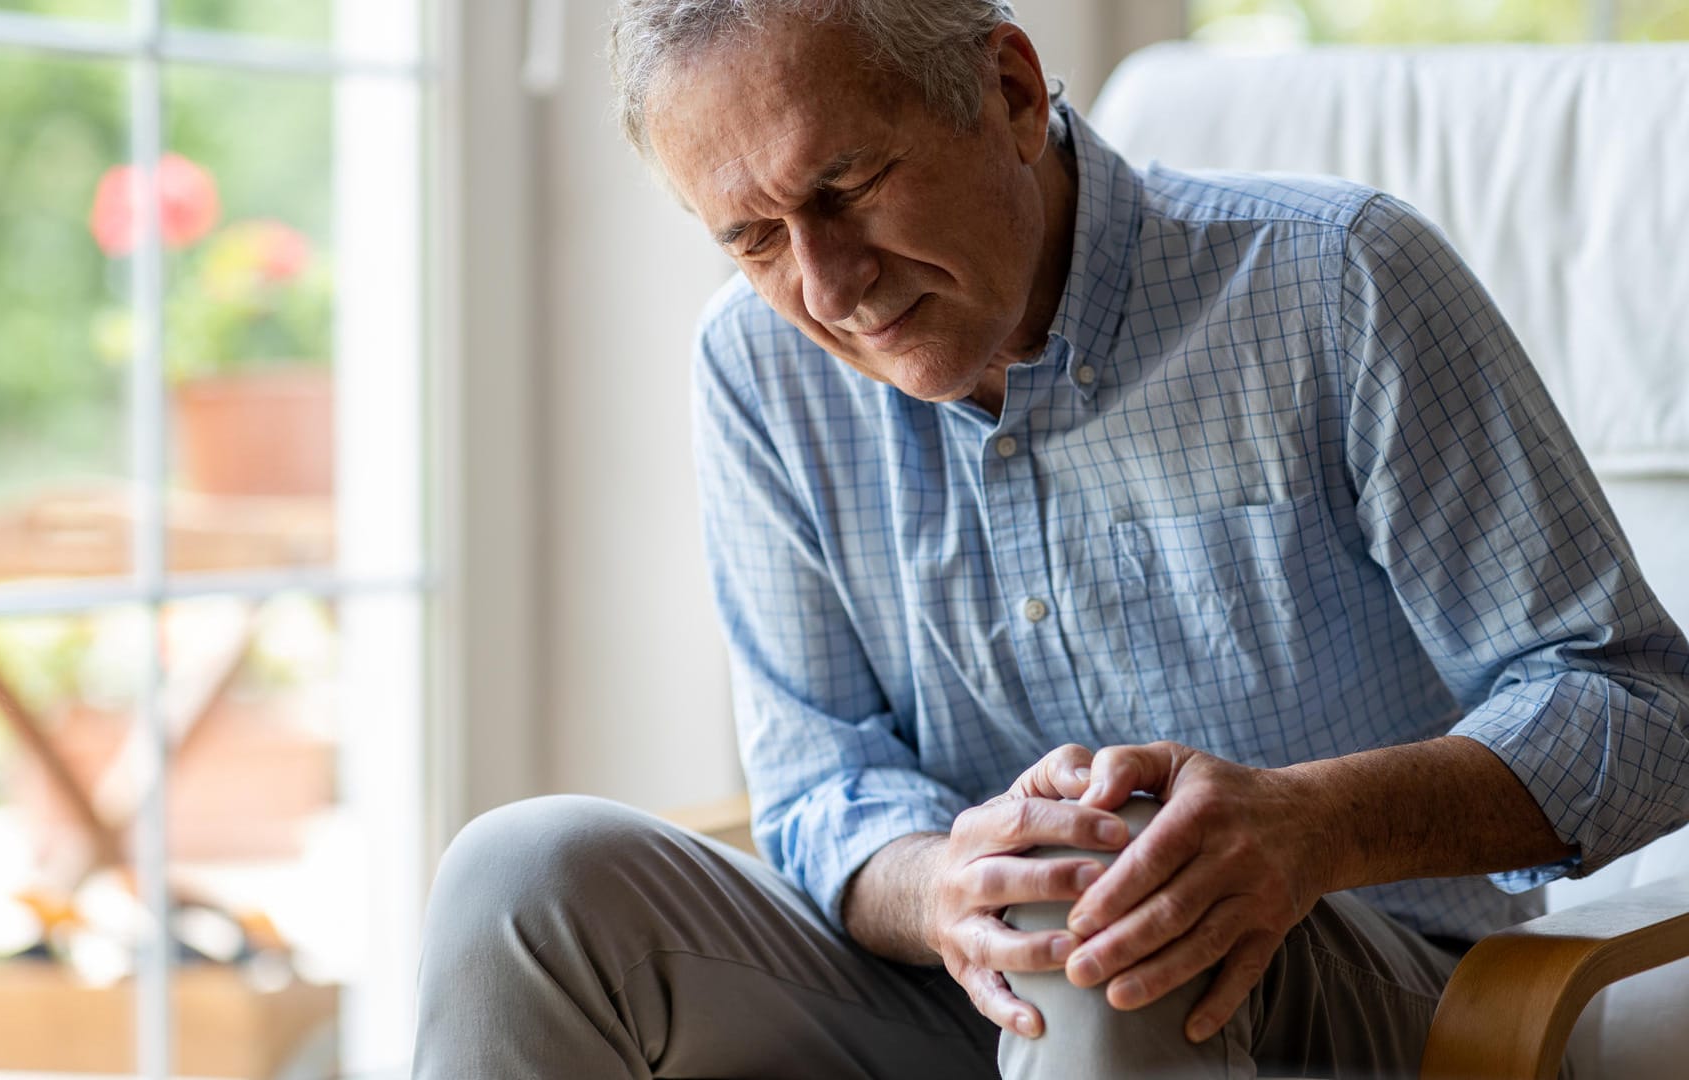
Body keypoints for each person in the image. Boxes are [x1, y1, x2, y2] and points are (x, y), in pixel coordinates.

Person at [412, 2, 1689, 1077]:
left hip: (1370, 993)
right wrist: (942, 885)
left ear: (1010, 92)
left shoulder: (1336, 281)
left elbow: (1643, 711)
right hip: (964, 989)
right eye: (752, 239)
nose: (828, 286)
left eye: (845, 186)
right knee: (524, 876)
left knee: (1111, 907)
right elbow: (820, 780)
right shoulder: (755, 369)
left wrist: (1308, 825)